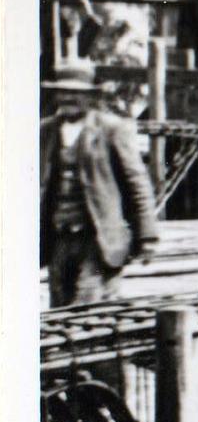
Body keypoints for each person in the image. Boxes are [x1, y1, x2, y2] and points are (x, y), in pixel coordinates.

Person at [41, 65, 160, 307]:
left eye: (77, 93)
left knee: (89, 308)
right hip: (58, 237)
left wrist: (147, 236)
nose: (69, 98)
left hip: (98, 237)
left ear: (90, 97)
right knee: (59, 306)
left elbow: (137, 184)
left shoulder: (112, 129)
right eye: (63, 92)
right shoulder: (45, 130)